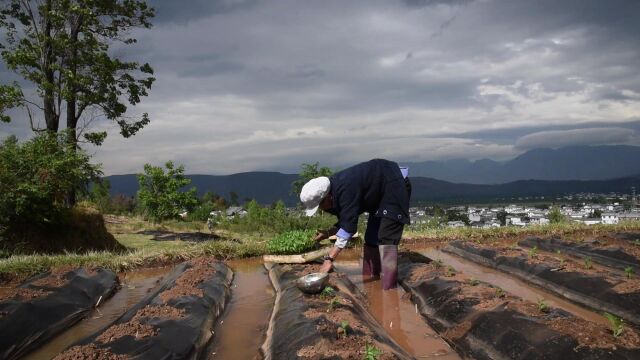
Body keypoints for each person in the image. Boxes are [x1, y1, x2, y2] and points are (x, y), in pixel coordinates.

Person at [299, 159, 411, 290]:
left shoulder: (346, 189)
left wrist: (329, 259)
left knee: (387, 239)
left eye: (321, 206)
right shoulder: (334, 191)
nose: (322, 210)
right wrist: (328, 233)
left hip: (394, 185)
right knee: (371, 239)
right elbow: (347, 220)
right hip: (378, 195)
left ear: (327, 197)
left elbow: (348, 229)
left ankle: (389, 288)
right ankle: (371, 285)